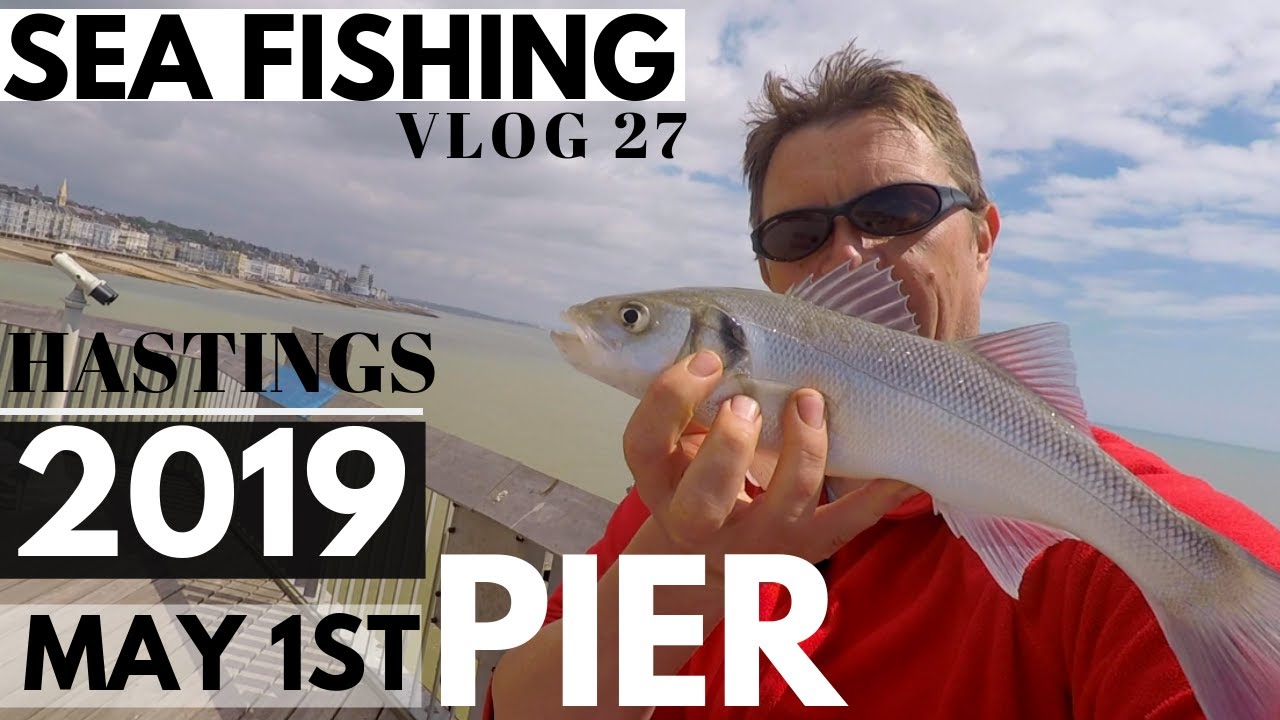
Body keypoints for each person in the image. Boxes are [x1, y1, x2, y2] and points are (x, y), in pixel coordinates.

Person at [485, 42, 1280, 719]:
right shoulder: (696, 491)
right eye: (798, 232)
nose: (848, 256)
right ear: (765, 271)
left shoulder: (1103, 544)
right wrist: (693, 574)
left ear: (983, 239)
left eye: (896, 211)